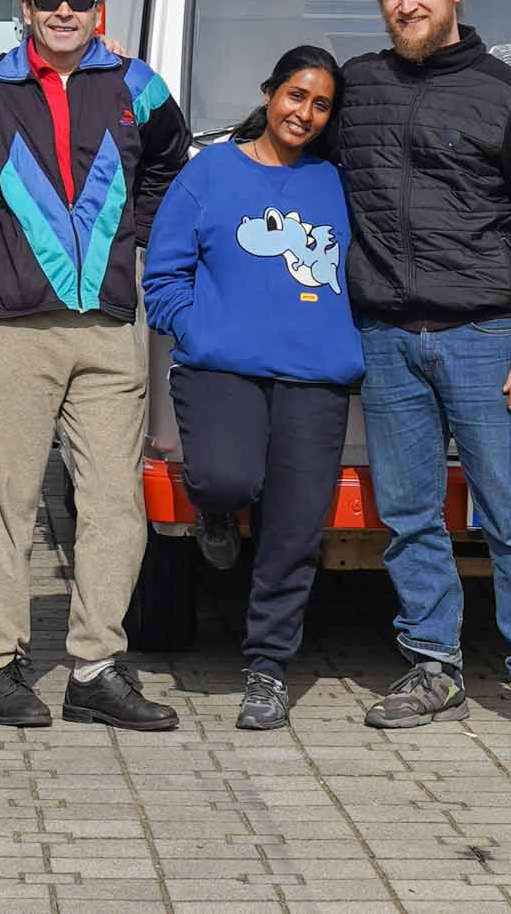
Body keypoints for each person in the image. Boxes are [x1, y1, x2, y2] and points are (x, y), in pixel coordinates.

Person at [336, 0, 511, 742]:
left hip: (485, 336)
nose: (404, 4)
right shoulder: (356, 86)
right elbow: (277, 134)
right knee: (408, 513)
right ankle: (433, 663)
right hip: (386, 337)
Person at [0, 0, 190, 731]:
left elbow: (170, 162)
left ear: (101, 6)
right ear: (25, 8)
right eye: (49, 0)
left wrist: (139, 237)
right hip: (15, 328)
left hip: (108, 331)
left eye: (80, 0)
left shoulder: (139, 84)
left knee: (116, 504)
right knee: (5, 502)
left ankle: (94, 666)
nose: (65, 13)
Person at [140, 45, 360, 731]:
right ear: (270, 92)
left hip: (315, 374)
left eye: (321, 103)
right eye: (296, 95)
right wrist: (197, 329)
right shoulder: (211, 173)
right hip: (222, 366)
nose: (305, 112)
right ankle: (214, 516)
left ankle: (267, 667)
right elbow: (165, 273)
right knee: (226, 479)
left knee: (295, 528)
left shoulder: (337, 181)